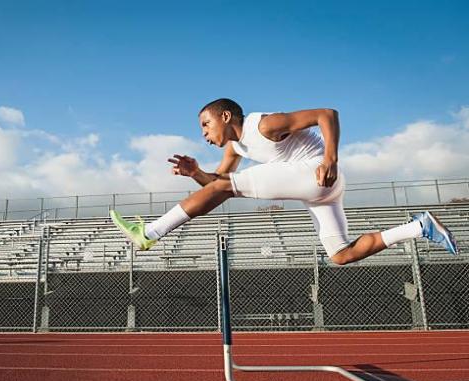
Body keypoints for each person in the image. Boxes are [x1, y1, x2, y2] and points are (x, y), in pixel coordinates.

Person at [110, 98, 458, 264]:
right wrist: (196, 173)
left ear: (225, 116)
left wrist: (330, 159)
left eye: (205, 124)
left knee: (225, 189)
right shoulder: (235, 145)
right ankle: (418, 228)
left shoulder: (264, 125)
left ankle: (150, 234)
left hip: (316, 172)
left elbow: (327, 114)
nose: (203, 133)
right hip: (322, 191)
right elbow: (216, 183)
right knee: (340, 254)